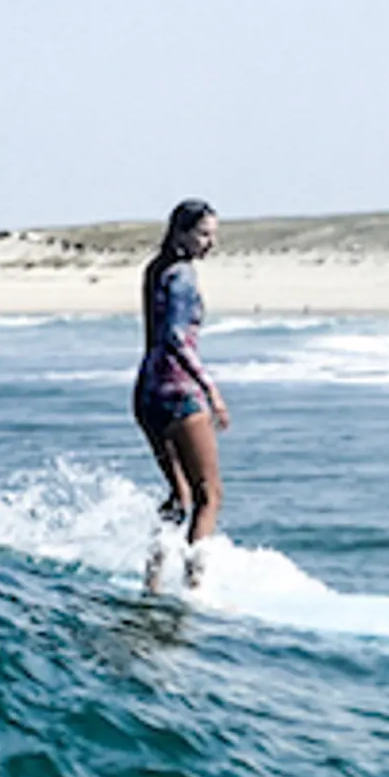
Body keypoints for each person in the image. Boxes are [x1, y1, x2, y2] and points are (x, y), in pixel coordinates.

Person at [134, 199, 229, 584]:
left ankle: (153, 579)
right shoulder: (184, 275)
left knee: (180, 496)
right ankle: (195, 586)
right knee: (209, 495)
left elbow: (154, 337)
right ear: (180, 232)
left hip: (147, 393)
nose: (210, 243)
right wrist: (211, 390)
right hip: (180, 393)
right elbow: (176, 337)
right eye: (203, 234)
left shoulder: (155, 270)